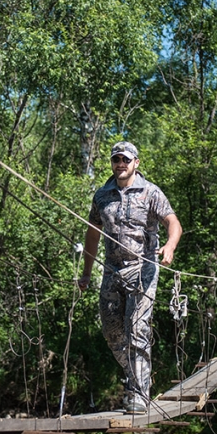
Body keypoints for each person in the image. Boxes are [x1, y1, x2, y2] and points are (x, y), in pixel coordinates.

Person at [77, 141, 182, 415]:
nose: (120, 164)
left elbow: (173, 222)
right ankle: (140, 373)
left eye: (125, 159)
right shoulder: (102, 195)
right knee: (112, 333)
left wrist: (169, 246)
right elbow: (92, 234)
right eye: (116, 159)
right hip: (112, 271)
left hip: (143, 267)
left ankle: (138, 391)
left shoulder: (150, 192)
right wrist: (86, 273)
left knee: (137, 327)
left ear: (136, 162)